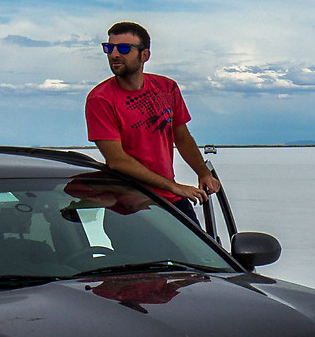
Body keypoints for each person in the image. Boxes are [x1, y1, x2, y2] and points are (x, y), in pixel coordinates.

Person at [84, 21, 222, 207]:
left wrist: (203, 173)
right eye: (109, 48)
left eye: (124, 49)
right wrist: (173, 186)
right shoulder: (100, 99)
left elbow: (181, 137)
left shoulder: (167, 88)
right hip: (129, 204)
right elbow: (117, 161)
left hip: (170, 201)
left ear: (145, 55)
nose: (114, 54)